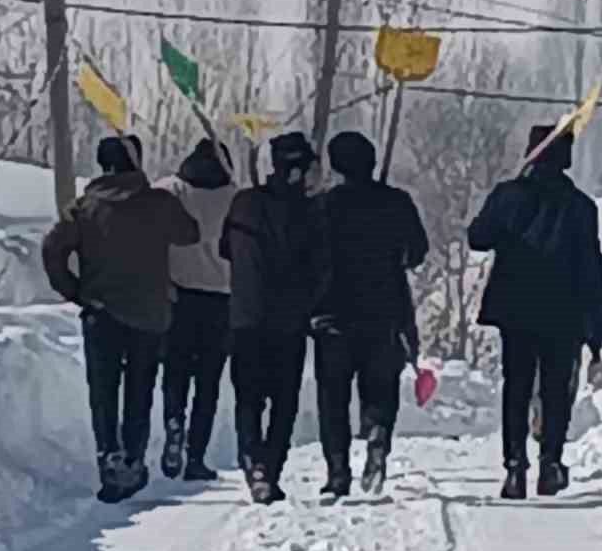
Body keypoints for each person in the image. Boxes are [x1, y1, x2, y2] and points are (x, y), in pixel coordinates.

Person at [42, 135, 199, 504]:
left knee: (104, 391)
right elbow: (189, 233)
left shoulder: (84, 208)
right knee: (139, 390)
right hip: (149, 314)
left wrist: (74, 290)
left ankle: (108, 458)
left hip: (101, 312)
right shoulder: (158, 203)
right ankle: (133, 458)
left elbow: (51, 249)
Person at [467, 124, 602, 500]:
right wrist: (597, 323)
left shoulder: (508, 195)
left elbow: (477, 238)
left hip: (515, 310)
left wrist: (504, 209)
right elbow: (591, 267)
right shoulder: (581, 206)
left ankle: (515, 467)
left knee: (516, 387)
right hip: (564, 313)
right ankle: (551, 463)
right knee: (555, 391)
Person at [312, 131, 429, 500]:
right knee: (380, 387)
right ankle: (378, 433)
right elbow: (417, 252)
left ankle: (337, 471)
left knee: (332, 397)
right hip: (385, 311)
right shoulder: (397, 202)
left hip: (332, 313)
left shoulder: (323, 206)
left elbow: (306, 257)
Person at [219, 130, 328, 505]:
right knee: (284, 401)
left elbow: (225, 248)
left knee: (248, 397)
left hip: (245, 315)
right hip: (289, 321)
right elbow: (322, 269)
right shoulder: (312, 213)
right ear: (298, 170)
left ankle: (253, 464)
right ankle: (271, 466)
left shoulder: (244, 203)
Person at [155, 137, 236, 483]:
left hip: (178, 296)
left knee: (175, 372)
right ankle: (196, 457)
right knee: (208, 382)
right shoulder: (235, 198)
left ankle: (174, 420)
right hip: (220, 299)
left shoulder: (169, 191)